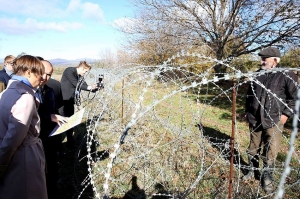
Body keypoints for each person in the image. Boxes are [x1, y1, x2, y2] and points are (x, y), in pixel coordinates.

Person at [243, 47, 298, 193]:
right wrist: (247, 111)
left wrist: (286, 114)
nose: (261, 61)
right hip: (255, 118)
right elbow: (249, 95)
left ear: (275, 60)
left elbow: (295, 98)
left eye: (264, 58)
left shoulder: (286, 74)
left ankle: (267, 177)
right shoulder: (258, 74)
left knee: (270, 150)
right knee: (253, 147)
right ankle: (251, 170)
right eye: (261, 58)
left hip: (274, 119)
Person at [0, 55, 47, 199]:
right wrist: (1, 164)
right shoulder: (24, 97)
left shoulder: (5, 93)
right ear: (28, 72)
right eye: (39, 73)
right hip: (24, 158)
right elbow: (13, 139)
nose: (42, 77)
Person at [37, 59, 68, 198]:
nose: (45, 77)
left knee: (52, 172)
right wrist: (48, 117)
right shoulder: (26, 93)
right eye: (42, 73)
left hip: (51, 139)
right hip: (36, 142)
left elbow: (54, 110)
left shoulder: (49, 91)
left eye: (49, 74)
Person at [60, 61, 98, 148]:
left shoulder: (80, 76)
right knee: (62, 121)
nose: (85, 73)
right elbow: (76, 84)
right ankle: (58, 143)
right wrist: (89, 87)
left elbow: (84, 85)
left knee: (70, 120)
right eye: (85, 71)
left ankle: (70, 141)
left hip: (70, 101)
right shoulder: (69, 70)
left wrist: (95, 88)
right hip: (63, 100)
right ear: (82, 68)